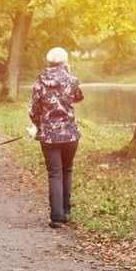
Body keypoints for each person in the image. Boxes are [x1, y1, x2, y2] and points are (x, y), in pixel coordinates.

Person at [29, 47, 84, 228]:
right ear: (65, 61)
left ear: (49, 61)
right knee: (67, 170)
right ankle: (66, 211)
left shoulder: (40, 81)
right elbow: (78, 98)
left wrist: (38, 126)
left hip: (49, 136)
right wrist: (69, 75)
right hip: (70, 134)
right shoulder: (72, 80)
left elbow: (34, 110)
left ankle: (56, 217)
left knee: (55, 173)